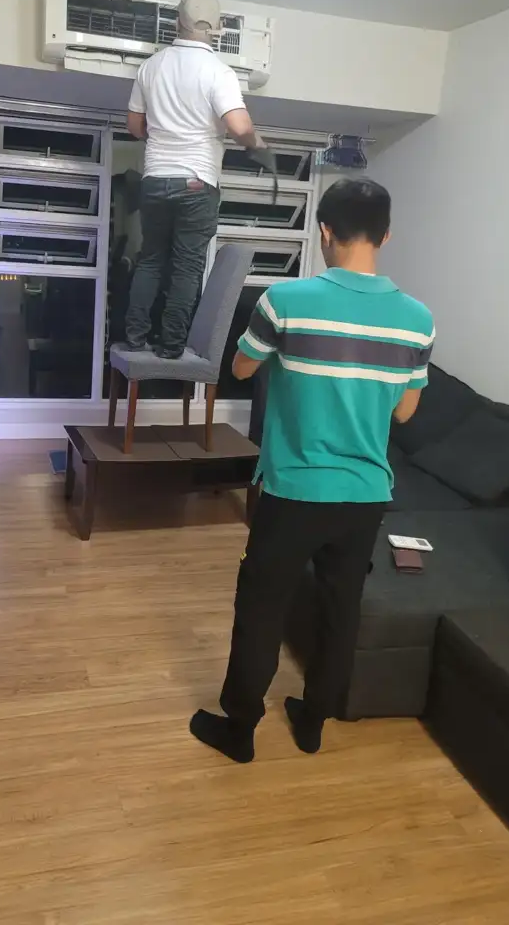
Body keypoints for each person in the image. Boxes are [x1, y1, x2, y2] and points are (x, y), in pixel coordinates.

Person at [190, 178, 435, 763]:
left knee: (262, 608)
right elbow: (405, 408)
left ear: (324, 231)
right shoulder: (417, 321)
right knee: (339, 609)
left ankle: (241, 729)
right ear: (386, 235)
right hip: (365, 496)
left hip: (293, 489)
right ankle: (313, 719)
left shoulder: (286, 301)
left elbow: (243, 370)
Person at [124, 0, 274, 359]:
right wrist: (260, 146)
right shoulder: (219, 72)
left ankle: (134, 336)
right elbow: (239, 128)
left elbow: (135, 128)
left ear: (177, 21)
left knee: (151, 258)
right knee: (187, 266)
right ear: (219, 27)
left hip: (155, 178)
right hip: (196, 181)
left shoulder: (151, 66)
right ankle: (171, 345)